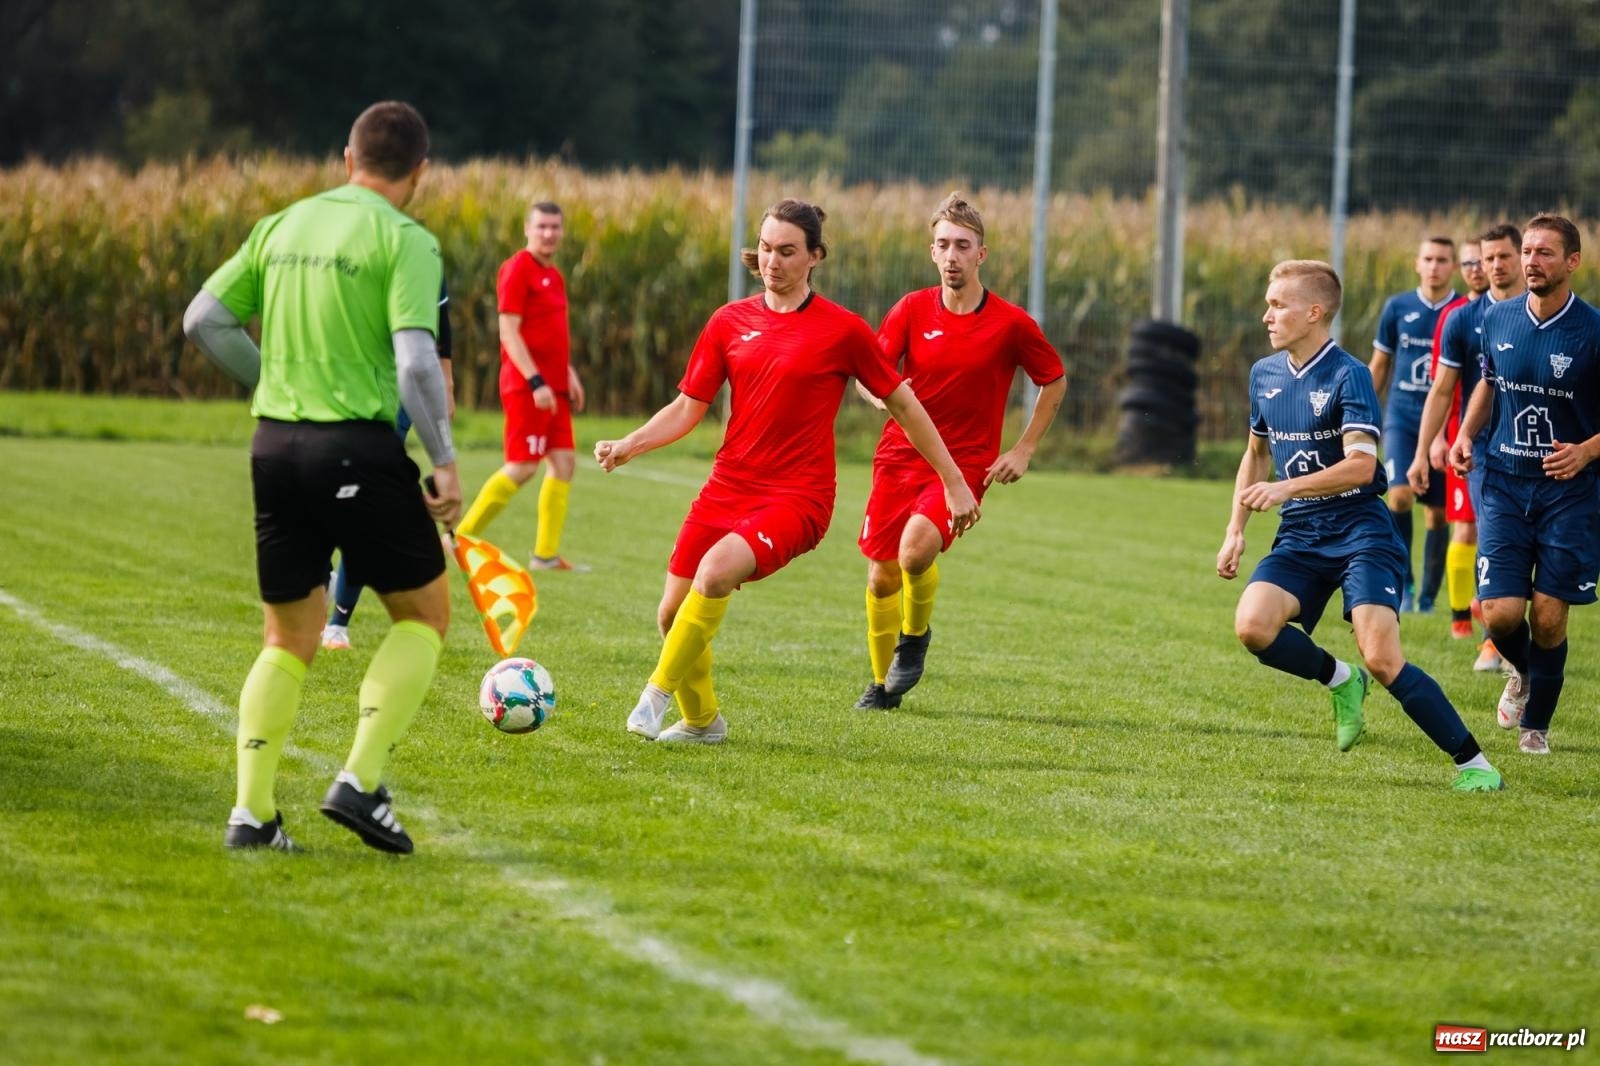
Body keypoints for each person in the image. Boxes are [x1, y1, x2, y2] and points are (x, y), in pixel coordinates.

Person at [594, 198, 980, 743]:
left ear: (815, 257)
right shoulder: (728, 321)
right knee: (671, 614)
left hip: (799, 497)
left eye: (788, 251)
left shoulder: (842, 330)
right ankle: (702, 722)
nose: (773, 262)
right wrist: (631, 444)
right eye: (767, 249)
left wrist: (954, 481)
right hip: (728, 485)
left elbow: (905, 405)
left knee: (716, 571)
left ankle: (653, 697)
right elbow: (688, 407)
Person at [183, 100, 461, 852]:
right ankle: (362, 783)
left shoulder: (285, 223)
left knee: (286, 636)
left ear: (348, 158)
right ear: (421, 172)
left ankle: (252, 815)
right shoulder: (406, 239)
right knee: (424, 616)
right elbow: (413, 361)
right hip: (356, 450)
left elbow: (203, 319)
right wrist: (443, 461)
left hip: (273, 448)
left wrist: (272, 378)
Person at [1217, 259, 1503, 792]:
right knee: (1253, 627)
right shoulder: (1265, 373)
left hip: (1360, 532)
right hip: (1300, 534)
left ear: (1314, 312)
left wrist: (1285, 488)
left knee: (1382, 657)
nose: (1267, 316)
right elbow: (1255, 454)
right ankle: (1338, 679)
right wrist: (1236, 528)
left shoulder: (1348, 374)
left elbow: (1362, 466)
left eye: (1278, 305)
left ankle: (1473, 763)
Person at [853, 193, 1066, 710]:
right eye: (943, 245)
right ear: (932, 252)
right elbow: (869, 375)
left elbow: (1054, 380)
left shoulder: (1011, 323)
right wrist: (878, 394)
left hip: (966, 464)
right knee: (881, 577)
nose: (952, 255)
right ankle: (882, 689)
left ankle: (915, 637)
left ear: (981, 255)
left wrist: (1024, 449)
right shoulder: (910, 309)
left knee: (915, 550)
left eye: (962, 246)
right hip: (899, 459)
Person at [1449, 214, 1600, 756]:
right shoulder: (1499, 318)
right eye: (1528, 251)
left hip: (1570, 494)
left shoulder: (1593, 331)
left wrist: (1586, 450)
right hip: (1506, 483)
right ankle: (1525, 671)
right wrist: (1466, 435)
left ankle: (1536, 725)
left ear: (1573, 262)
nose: (1533, 261)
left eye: (1545, 253)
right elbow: (1488, 383)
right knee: (1501, 612)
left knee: (1549, 615)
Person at [1410, 224, 1525, 672]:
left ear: (1521, 259)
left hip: (1539, 449)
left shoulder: (1544, 313)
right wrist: (1424, 450)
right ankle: (1493, 639)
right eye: (1484, 259)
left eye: (1502, 257)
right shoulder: (1463, 319)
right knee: (1491, 538)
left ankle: (1522, 641)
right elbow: (1442, 390)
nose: (1492, 267)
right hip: (1482, 450)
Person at [322, 278, 455, 651]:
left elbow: (441, 322)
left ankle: (337, 623)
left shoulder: (420, 251)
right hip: (343, 392)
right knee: (339, 495)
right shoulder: (346, 252)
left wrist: (446, 383)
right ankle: (322, 577)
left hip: (396, 397)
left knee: (364, 505)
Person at [455, 202, 588, 570]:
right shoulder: (516, 270)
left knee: (563, 463)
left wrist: (567, 373)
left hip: (555, 387)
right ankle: (461, 536)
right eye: (542, 226)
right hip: (528, 387)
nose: (548, 233)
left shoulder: (555, 275)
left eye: (555, 227)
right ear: (527, 228)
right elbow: (509, 333)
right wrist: (536, 382)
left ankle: (545, 555)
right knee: (523, 465)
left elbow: (550, 334)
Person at [1369, 237, 1458, 613]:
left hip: (1444, 423)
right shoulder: (1398, 307)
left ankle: (1427, 597)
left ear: (1453, 266)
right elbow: (1380, 364)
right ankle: (1403, 581)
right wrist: (1363, 412)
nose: (1434, 266)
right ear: (1417, 264)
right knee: (1400, 494)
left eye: (1442, 259)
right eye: (1428, 259)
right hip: (1401, 418)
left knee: (1437, 513)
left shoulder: (1461, 310)